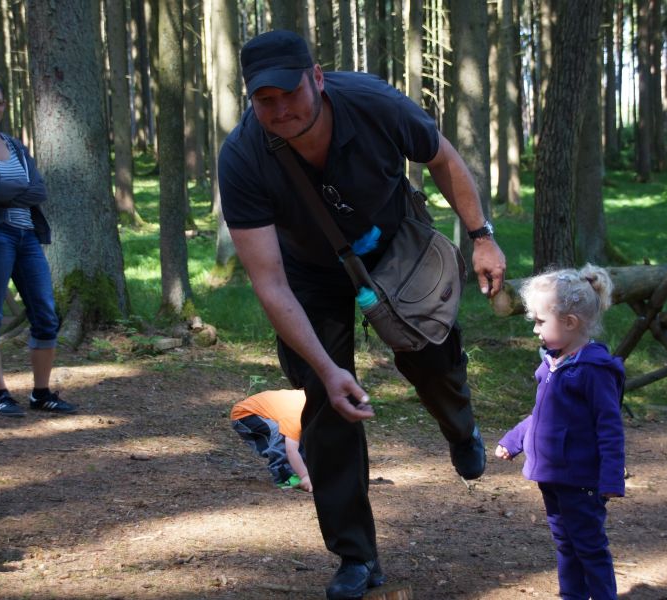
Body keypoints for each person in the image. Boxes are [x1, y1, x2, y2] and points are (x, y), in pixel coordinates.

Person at [218, 30, 507, 599]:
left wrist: (481, 236)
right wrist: (328, 371)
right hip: (308, 272)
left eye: (290, 92)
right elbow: (270, 283)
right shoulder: (243, 156)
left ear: (317, 78)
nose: (280, 109)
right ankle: (356, 556)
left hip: (395, 242)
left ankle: (460, 426)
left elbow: (443, 158)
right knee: (326, 405)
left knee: (431, 355)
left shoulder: (374, 104)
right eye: (265, 100)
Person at [495, 264, 625, 600]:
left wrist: (611, 478)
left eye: (540, 321)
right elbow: (543, 415)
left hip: (581, 479)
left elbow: (610, 428)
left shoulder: (594, 370)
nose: (535, 329)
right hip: (552, 477)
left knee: (589, 547)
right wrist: (514, 440)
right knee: (565, 544)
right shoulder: (551, 364)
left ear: (570, 322)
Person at [0, 75, 76, 418]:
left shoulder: (14, 145)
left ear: (4, 106)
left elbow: (39, 190)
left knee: (45, 314)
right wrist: (15, 191)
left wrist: (7, 192)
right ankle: (1, 394)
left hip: (26, 235)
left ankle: (41, 393)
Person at [230, 389, 312, 492]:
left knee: (302, 437)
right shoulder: (295, 415)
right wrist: (304, 475)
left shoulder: (315, 400)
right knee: (280, 436)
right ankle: (285, 477)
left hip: (268, 411)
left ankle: (304, 472)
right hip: (245, 414)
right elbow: (291, 450)